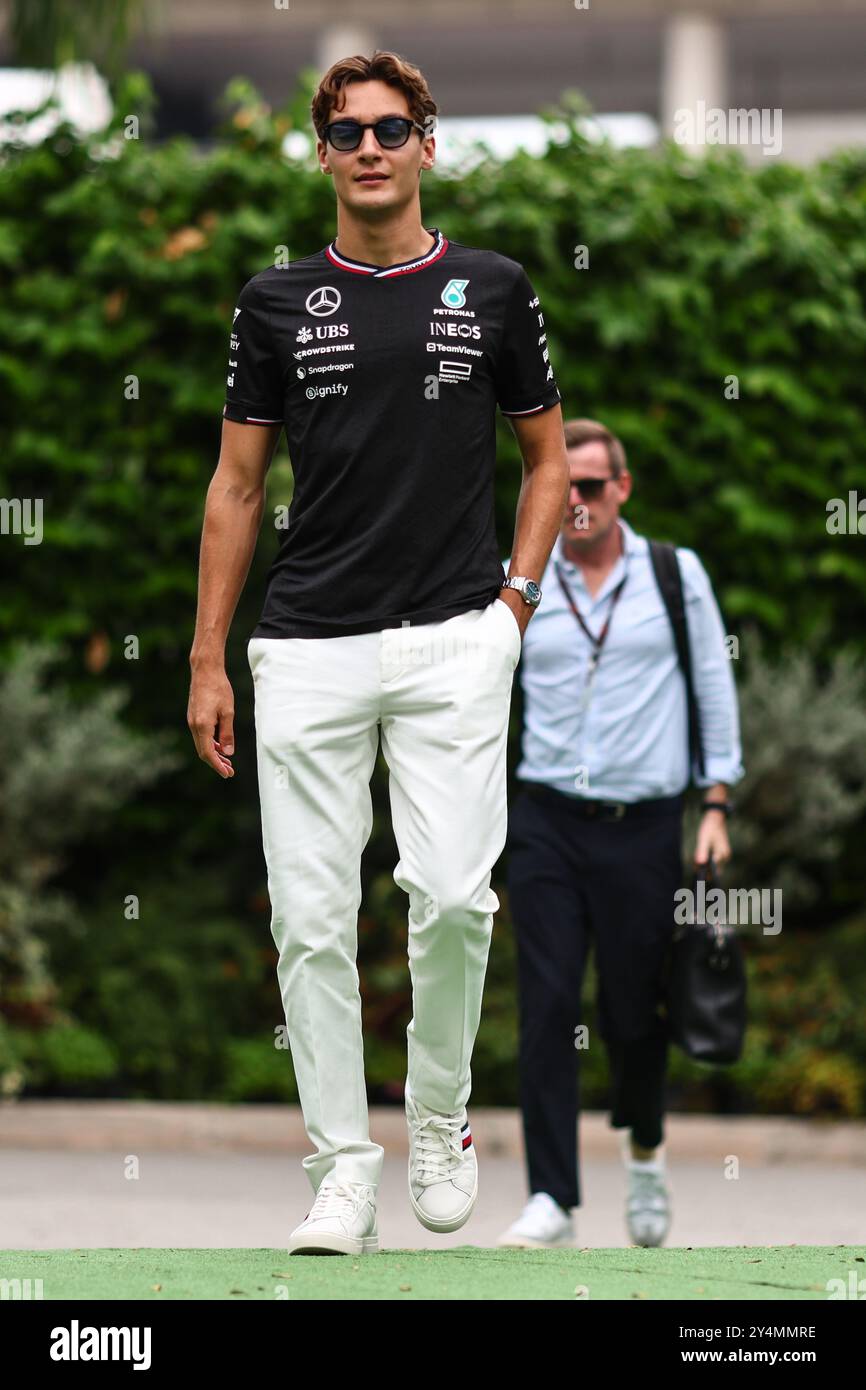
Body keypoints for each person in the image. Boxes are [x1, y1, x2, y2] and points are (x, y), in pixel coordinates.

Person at [186, 50, 568, 1255]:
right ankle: (339, 1169)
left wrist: (511, 607)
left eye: (389, 129)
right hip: (304, 650)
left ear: (426, 144)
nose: (368, 148)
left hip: (457, 641)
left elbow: (547, 460)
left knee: (453, 898)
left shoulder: (493, 289)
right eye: (346, 131)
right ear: (321, 152)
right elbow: (237, 489)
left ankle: (439, 1120)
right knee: (308, 921)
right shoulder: (273, 301)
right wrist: (207, 658)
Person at [498, 417, 744, 1249]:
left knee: (635, 1011)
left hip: (644, 828)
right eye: (563, 484)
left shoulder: (674, 576)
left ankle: (644, 1154)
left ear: (621, 490)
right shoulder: (520, 579)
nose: (576, 501)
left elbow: (713, 686)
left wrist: (715, 805)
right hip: (544, 824)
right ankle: (552, 1199)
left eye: (592, 486)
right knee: (548, 1003)